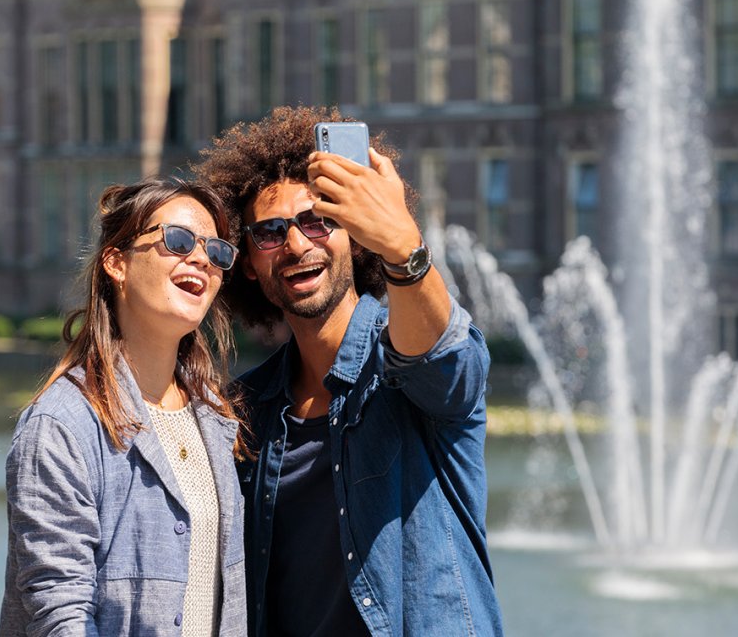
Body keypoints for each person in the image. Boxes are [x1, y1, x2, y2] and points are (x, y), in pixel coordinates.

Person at [193, 107, 505, 637]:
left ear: (354, 234)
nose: (296, 245)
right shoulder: (243, 411)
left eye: (318, 221)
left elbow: (448, 367)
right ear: (248, 261)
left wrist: (402, 247)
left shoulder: (403, 364)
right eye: (269, 233)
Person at [0, 177, 250, 637]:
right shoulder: (62, 425)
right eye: (177, 240)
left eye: (215, 251)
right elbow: (61, 614)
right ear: (117, 263)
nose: (200, 258)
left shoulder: (216, 417)